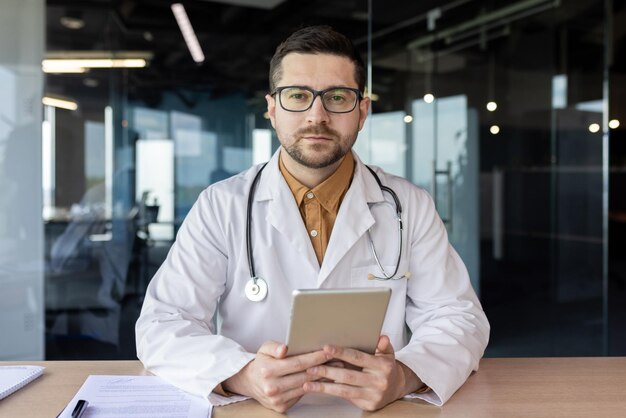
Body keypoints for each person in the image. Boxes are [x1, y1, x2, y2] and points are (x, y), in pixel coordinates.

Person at [136, 25, 489, 413]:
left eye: (337, 97)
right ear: (272, 109)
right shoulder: (221, 205)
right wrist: (243, 374)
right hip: (256, 410)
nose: (316, 115)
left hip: (379, 412)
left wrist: (403, 376)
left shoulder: (409, 205)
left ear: (362, 111)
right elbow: (163, 323)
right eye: (298, 96)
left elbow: (459, 318)